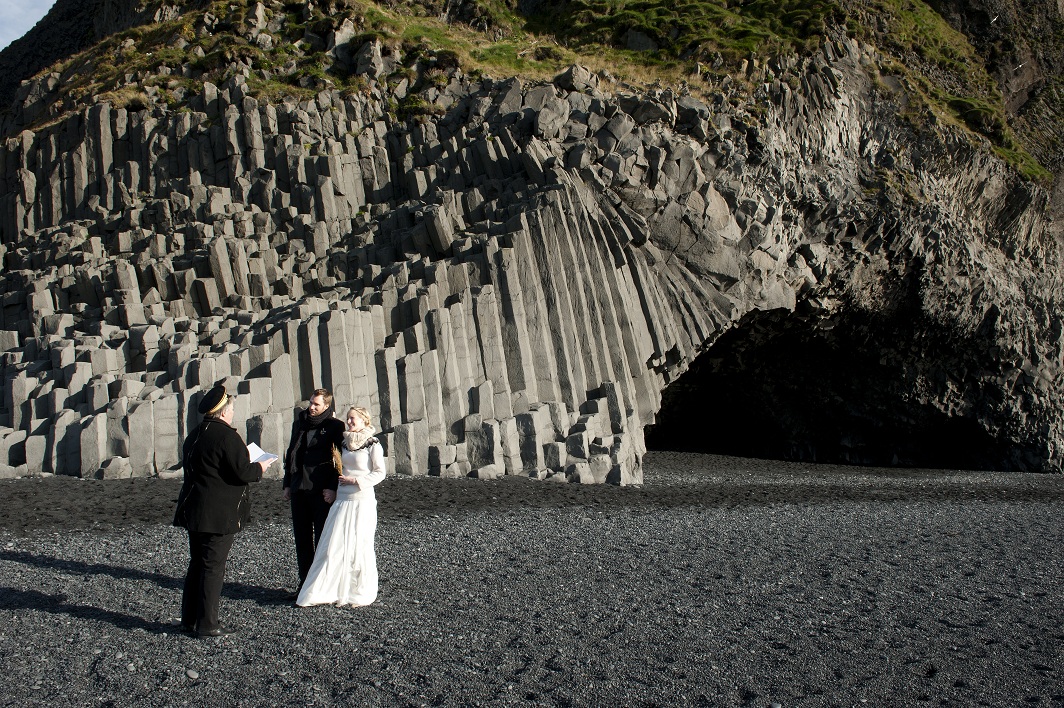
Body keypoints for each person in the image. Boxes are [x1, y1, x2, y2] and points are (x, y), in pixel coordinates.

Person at [174, 385, 272, 638]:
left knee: (196, 564)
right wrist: (260, 466)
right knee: (213, 568)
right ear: (224, 412)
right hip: (217, 514)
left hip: (194, 509)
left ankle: (189, 619)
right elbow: (243, 472)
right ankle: (208, 623)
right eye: (232, 410)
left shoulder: (195, 434)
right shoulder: (227, 436)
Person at [297, 406, 387, 608]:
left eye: (353, 418)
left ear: (364, 420)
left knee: (360, 546)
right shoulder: (344, 443)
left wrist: (357, 482)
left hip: (361, 500)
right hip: (342, 501)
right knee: (335, 545)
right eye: (347, 419)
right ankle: (332, 589)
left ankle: (359, 592)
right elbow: (337, 468)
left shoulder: (373, 444)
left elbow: (380, 473)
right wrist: (335, 490)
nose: (349, 422)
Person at [282, 388, 345, 592]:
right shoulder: (299, 423)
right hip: (298, 488)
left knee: (322, 538)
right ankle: (304, 582)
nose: (312, 407)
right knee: (301, 538)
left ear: (327, 406)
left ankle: (321, 584)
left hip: (321, 490)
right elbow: (291, 455)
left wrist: (333, 488)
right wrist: (287, 484)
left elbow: (339, 461)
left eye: (317, 404)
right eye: (311, 402)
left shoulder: (335, 426)